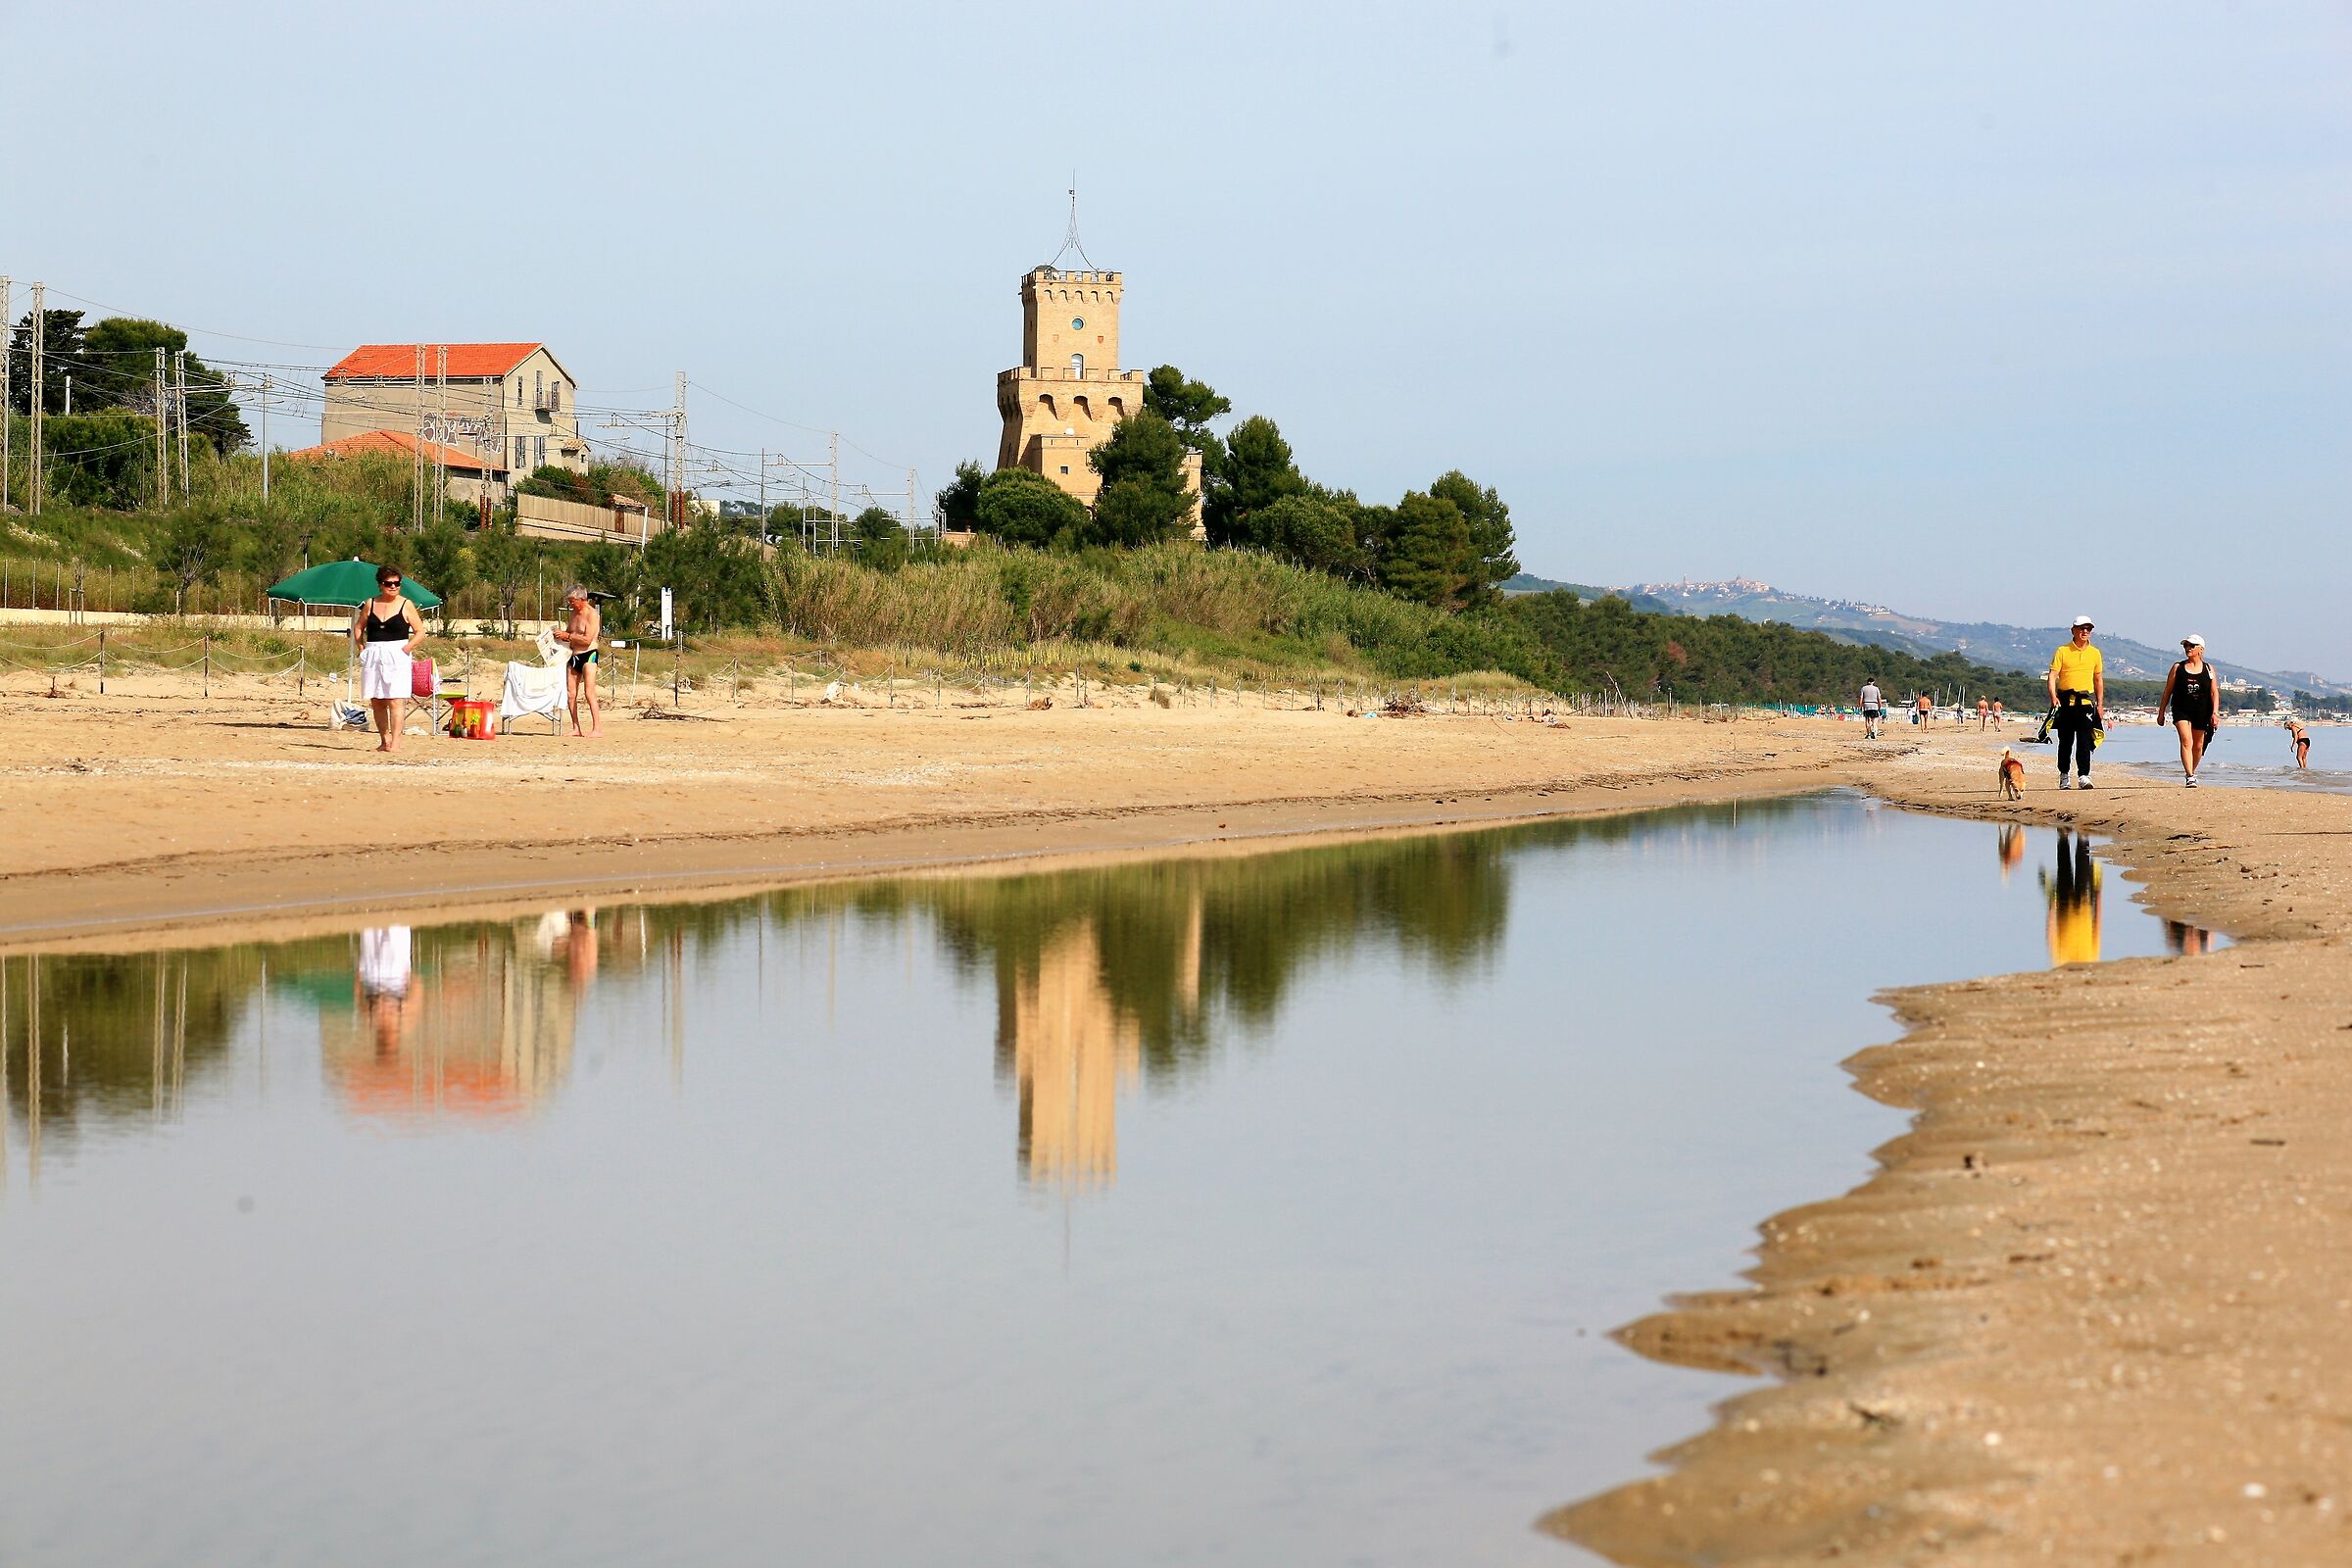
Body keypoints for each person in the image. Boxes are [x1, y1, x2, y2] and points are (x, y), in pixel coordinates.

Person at [350, 565, 420, 754]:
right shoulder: (370, 603)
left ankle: (396, 742)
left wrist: (406, 649)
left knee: (396, 699)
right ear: (380, 584)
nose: (393, 586)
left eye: (397, 583)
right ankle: (384, 740)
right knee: (377, 700)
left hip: (397, 653)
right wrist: (361, 648)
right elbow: (359, 627)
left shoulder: (406, 604)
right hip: (374, 652)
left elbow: (420, 631)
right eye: (389, 583)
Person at [2045, 614, 2105, 790]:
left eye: (2088, 629)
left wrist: (2100, 705)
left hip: (2086, 704)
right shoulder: (2062, 651)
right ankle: (2064, 775)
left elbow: (2098, 680)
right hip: (2065, 703)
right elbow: (2052, 676)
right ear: (2073, 630)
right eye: (2081, 628)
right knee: (2065, 741)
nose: (2085, 631)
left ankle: (2084, 775)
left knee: (2085, 742)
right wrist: (2053, 697)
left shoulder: (2095, 653)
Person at [2155, 634, 2220, 788]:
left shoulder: (2208, 669)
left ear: (2201, 649)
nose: (2188, 648)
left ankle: (2192, 772)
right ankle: (2190, 776)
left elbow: (2214, 693)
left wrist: (2215, 713)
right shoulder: (2178, 667)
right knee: (2186, 741)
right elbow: (2167, 691)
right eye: (2186, 646)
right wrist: (2161, 712)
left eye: (2191, 645)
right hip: (2181, 709)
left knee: (2198, 746)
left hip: (2202, 711)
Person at [552, 584, 604, 739]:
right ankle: (576, 728)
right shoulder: (573, 613)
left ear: (582, 599)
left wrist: (567, 636)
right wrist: (559, 635)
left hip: (589, 654)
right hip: (573, 655)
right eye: (569, 601)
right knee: (571, 693)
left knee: (589, 692)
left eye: (572, 601)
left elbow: (587, 639)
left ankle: (597, 728)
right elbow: (570, 632)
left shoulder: (592, 614)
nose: (570, 604)